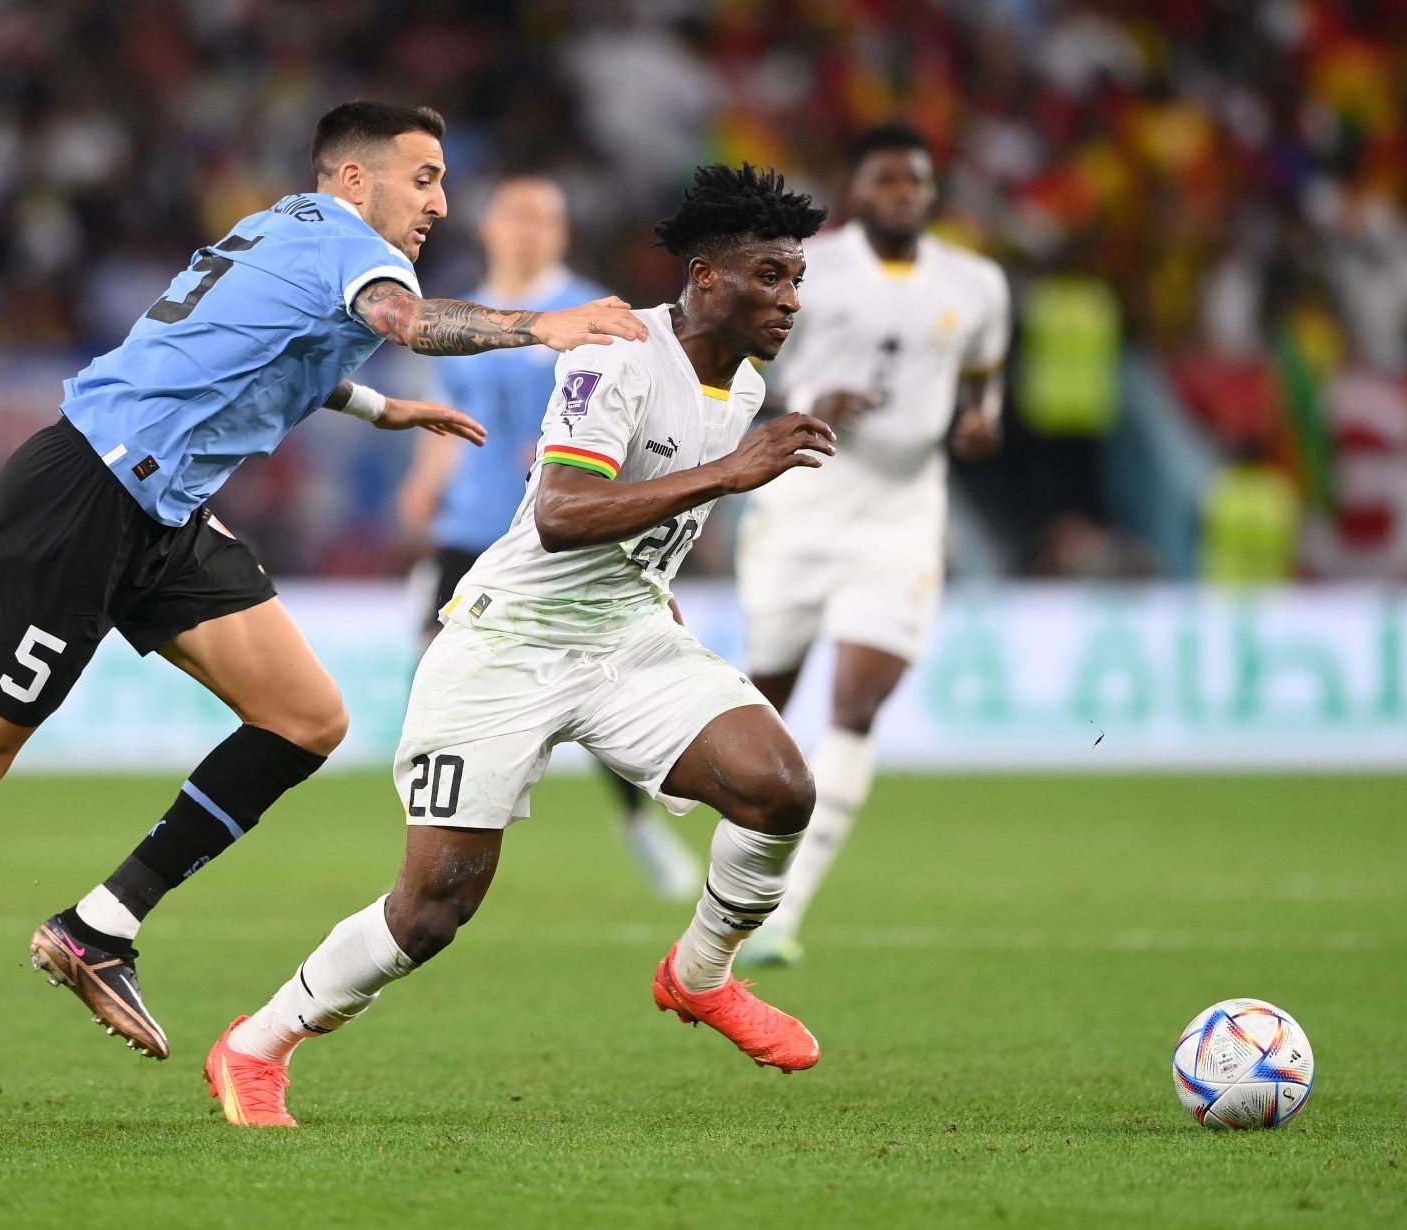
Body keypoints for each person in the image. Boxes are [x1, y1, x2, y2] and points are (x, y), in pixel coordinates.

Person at [0, 102, 648, 1062]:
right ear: (354, 176)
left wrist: (386, 413)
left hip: (158, 510)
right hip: (87, 496)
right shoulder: (358, 252)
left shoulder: (285, 231)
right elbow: (411, 324)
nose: (439, 203)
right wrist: (544, 324)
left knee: (303, 718)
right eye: (423, 180)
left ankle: (97, 927)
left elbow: (265, 351)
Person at [202, 164, 837, 1127]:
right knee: (432, 909)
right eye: (771, 277)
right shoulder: (618, 355)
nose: (790, 299)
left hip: (626, 637)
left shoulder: (744, 382)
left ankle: (701, 975)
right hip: (508, 645)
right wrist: (734, 475)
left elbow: (649, 524)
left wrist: (663, 589)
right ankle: (256, 1045)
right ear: (707, 277)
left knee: (780, 787)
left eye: (796, 279)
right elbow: (562, 512)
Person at [734, 122, 1011, 967]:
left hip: (902, 515)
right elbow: (753, 368)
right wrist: (815, 392)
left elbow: (982, 382)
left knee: (855, 706)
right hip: (803, 506)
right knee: (760, 709)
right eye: (887, 179)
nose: (904, 193)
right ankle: (735, 874)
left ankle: (785, 912)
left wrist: (980, 424)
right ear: (857, 189)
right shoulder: (808, 268)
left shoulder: (976, 282)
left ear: (931, 192)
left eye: (916, 181)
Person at [395, 173, 702, 900]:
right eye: (517, 215)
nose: (530, 229)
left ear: (561, 234)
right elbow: (448, 411)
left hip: (560, 531)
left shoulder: (593, 311)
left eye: (545, 218)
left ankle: (635, 823)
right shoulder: (467, 315)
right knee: (437, 663)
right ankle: (453, 820)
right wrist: (422, 484)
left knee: (596, 679)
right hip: (471, 522)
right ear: (490, 227)